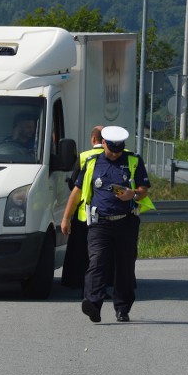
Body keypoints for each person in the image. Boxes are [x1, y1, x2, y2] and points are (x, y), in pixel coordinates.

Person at [61, 126, 154, 323]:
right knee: (97, 262)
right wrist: (66, 217)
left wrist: (133, 194)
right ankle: (93, 304)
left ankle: (122, 308)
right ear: (103, 143)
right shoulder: (92, 163)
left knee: (125, 267)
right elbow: (77, 192)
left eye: (119, 150)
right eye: (112, 150)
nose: (115, 154)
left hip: (126, 222)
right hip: (99, 223)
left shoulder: (133, 161)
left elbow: (144, 189)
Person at [60, 126, 105, 290]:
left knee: (80, 251)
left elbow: (74, 185)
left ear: (93, 139)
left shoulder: (84, 156)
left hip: (84, 213)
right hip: (108, 211)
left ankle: (77, 282)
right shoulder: (119, 156)